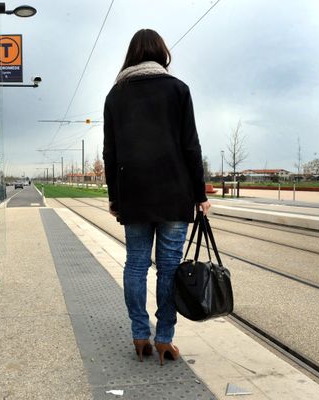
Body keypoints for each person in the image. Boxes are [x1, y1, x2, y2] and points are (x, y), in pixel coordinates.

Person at [102, 28, 211, 366]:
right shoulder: (178, 90)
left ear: (132, 55)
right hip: (174, 194)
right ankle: (164, 339)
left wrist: (114, 196)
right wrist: (199, 192)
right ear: (162, 53)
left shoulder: (115, 95)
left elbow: (110, 153)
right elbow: (191, 146)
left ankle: (139, 335)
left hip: (134, 195)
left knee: (135, 264)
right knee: (168, 268)